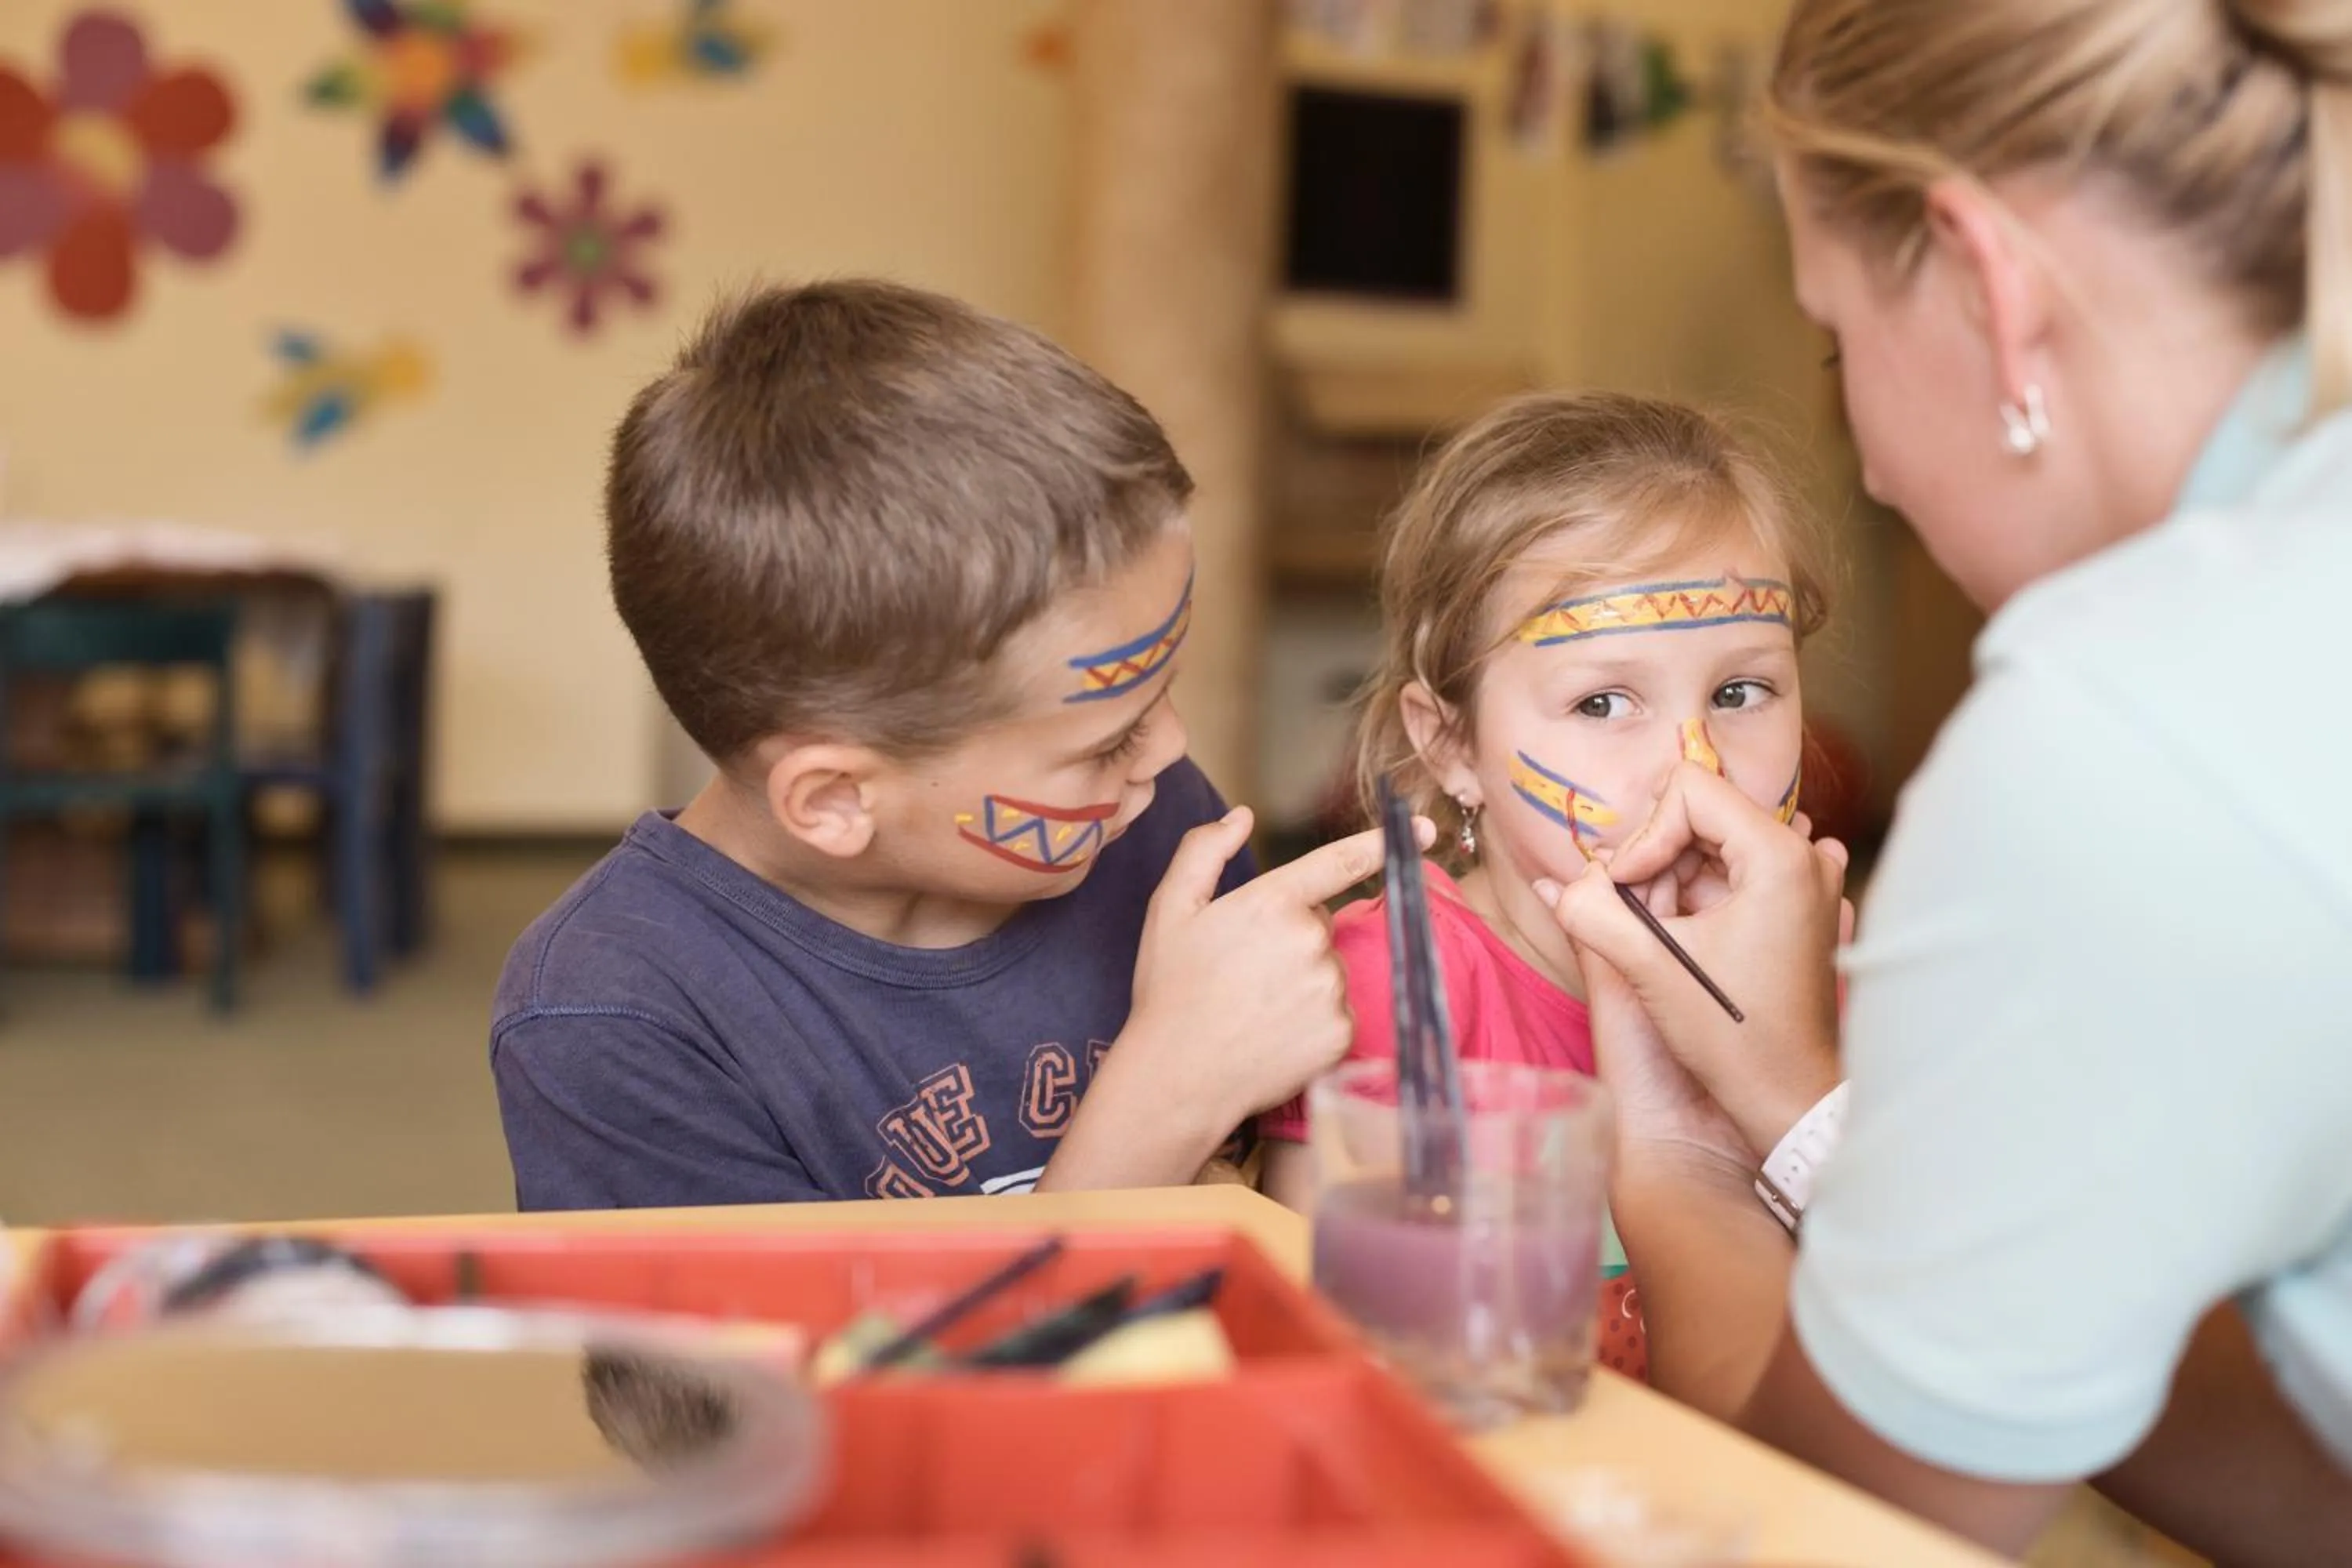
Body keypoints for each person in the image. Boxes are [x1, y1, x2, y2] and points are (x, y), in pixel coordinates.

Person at [1539, 1, 2352, 1559]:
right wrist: (1812, 1108)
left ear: (1991, 284)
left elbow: (1830, 1525)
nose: (1881, 465)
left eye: (1838, 340)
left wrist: (1685, 1161)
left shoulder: (2128, 721)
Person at [492, 280, 1406, 1210]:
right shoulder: (614, 1017)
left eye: (1161, 693)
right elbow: (833, 1362)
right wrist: (1169, 1094)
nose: (1168, 750)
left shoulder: (1154, 829)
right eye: (1106, 738)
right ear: (837, 799)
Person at [1255, 392, 1835, 1384]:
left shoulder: (1811, 990)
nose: (1695, 769)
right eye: (1604, 701)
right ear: (1453, 745)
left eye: (1742, 692)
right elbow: (1330, 1372)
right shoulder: (1388, 990)